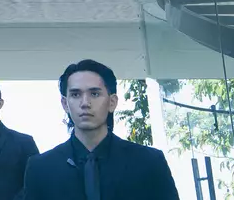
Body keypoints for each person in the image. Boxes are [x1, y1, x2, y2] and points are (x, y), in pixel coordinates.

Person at [23, 59, 180, 200]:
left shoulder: (149, 162)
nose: (85, 103)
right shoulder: (41, 168)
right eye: (76, 94)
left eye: (94, 94)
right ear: (65, 104)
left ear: (112, 102)